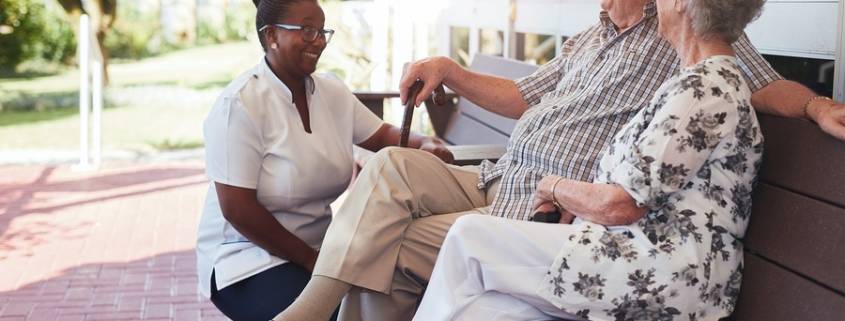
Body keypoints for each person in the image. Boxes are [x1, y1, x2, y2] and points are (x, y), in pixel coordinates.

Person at [273, 0, 845, 320]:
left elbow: (760, 85)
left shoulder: (687, 35)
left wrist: (817, 104)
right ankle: (315, 307)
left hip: (543, 208)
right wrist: (449, 70)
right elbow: (524, 97)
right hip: (499, 175)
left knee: (388, 241)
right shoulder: (588, 37)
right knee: (387, 169)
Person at [412, 0, 764, 319]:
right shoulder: (695, 83)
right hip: (627, 255)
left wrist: (554, 188)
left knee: (470, 237)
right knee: (484, 311)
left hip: (660, 272)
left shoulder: (704, 90)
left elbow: (621, 205)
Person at [196, 1, 453, 320]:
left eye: (322, 31)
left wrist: (425, 142)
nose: (318, 41)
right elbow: (238, 210)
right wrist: (312, 261)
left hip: (325, 253)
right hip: (247, 258)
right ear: (272, 35)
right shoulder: (240, 105)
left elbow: (383, 135)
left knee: (395, 302)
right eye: (307, 30)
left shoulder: (331, 91)